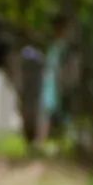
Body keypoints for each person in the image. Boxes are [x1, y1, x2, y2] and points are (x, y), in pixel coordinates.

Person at [40, 16, 71, 144]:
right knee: (49, 111)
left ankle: (55, 139)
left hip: (57, 82)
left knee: (56, 112)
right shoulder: (56, 45)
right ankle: (45, 139)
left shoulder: (63, 47)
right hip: (51, 82)